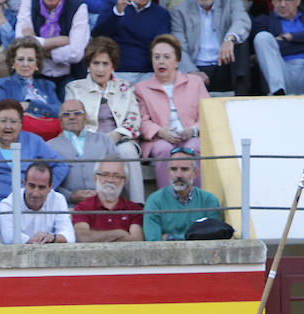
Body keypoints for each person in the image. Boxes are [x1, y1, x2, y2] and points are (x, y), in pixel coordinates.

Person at [63, 38, 146, 202]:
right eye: (96, 63)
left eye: (105, 64)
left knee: (127, 151)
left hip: (120, 139)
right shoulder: (74, 88)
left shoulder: (126, 88)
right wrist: (98, 139)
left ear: (112, 66)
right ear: (89, 65)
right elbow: (71, 121)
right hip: (87, 141)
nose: (100, 69)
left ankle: (138, 206)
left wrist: (115, 135)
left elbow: (134, 119)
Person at [0, 99, 69, 206]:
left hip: (27, 205)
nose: (8, 126)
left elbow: (60, 166)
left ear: (21, 124)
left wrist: (43, 191)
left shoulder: (33, 141)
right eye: (3, 121)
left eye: (13, 121)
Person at [134, 34, 208, 189]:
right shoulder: (141, 88)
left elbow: (208, 115)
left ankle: (196, 200)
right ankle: (167, 199)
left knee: (194, 147)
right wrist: (160, 132)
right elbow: (142, 121)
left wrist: (193, 130)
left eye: (166, 57)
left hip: (191, 135)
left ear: (177, 60)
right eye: (156, 57)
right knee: (163, 149)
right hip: (161, 139)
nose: (161, 61)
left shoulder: (195, 82)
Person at [48, 98, 122, 205]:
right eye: (66, 114)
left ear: (85, 117)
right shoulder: (49, 146)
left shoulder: (105, 140)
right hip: (66, 207)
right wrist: (70, 196)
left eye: (77, 113)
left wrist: (102, 193)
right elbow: (46, 181)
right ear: (60, 119)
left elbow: (119, 172)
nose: (72, 117)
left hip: (104, 203)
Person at [169, 0, 252, 94]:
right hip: (198, 68)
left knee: (240, 41)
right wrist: (191, 71)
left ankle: (241, 94)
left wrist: (229, 39)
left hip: (225, 62)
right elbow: (179, 47)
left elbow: (242, 21)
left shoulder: (230, 3)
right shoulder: (180, 12)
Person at [141, 147, 221, 240]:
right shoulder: (154, 201)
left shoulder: (209, 200)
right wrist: (194, 237)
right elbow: (152, 240)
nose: (178, 175)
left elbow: (212, 237)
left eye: (184, 169)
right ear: (168, 172)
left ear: (195, 173)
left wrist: (170, 237)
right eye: (174, 169)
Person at [0, 37, 61, 139]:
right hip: (19, 136)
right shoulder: (3, 84)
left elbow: (59, 111)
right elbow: (0, 110)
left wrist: (30, 106)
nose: (25, 64)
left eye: (30, 60)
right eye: (20, 59)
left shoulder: (47, 85)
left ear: (36, 63)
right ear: (13, 62)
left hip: (50, 134)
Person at [91, 0, 172, 82]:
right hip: (116, 70)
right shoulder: (114, 5)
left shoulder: (161, 14)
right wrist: (117, 12)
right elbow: (98, 34)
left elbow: (160, 44)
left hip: (146, 73)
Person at [0, 160, 76, 244]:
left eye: (41, 187)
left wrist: (52, 237)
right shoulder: (8, 203)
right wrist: (34, 240)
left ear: (50, 187)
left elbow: (69, 236)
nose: (35, 193)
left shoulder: (58, 199)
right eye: (32, 186)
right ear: (24, 184)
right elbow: (8, 236)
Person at [16, 0, 90, 85]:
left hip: (69, 75)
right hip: (35, 73)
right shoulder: (29, 2)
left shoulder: (78, 7)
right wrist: (56, 42)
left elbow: (75, 54)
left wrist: (36, 44)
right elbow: (21, 43)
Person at [72, 160, 144, 241]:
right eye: (105, 175)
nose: (110, 180)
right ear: (95, 178)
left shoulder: (134, 209)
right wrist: (119, 233)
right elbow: (82, 237)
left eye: (116, 176)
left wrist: (97, 237)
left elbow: (136, 240)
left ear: (124, 181)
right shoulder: (83, 207)